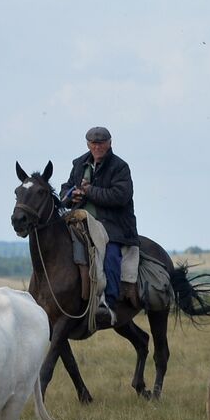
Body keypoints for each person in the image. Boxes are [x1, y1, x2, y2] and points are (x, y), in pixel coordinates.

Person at [61, 126, 140, 311]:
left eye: (102, 143)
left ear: (110, 143)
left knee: (111, 255)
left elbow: (120, 196)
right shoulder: (79, 164)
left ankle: (109, 302)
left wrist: (89, 191)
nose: (98, 147)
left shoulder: (120, 167)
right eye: (94, 143)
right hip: (81, 221)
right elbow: (66, 188)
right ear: (88, 144)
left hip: (113, 225)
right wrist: (72, 196)